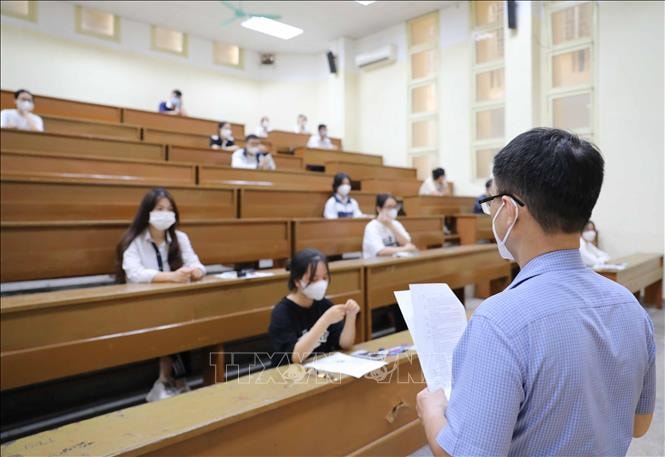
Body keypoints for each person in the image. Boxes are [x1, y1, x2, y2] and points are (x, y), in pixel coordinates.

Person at [416, 128, 655, 456]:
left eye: (491, 204)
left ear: (509, 210)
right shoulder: (629, 305)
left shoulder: (499, 321)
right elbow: (639, 424)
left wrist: (431, 411)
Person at [116, 188, 206, 402]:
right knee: (171, 319)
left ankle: (167, 380)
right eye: (159, 209)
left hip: (174, 304)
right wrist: (170, 277)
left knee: (180, 316)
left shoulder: (180, 238)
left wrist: (195, 272)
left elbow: (199, 265)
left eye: (169, 209)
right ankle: (174, 381)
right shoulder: (135, 241)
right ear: (147, 212)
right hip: (142, 303)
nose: (165, 213)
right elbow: (134, 273)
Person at [268, 248, 360, 365]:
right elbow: (296, 357)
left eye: (324, 278)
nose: (321, 283)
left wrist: (351, 316)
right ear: (297, 281)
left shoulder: (325, 305)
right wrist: (325, 320)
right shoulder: (282, 313)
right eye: (314, 279)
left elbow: (345, 344)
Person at [362, 193, 417, 259]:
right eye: (389, 207)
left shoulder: (396, 223)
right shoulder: (371, 227)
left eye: (394, 207)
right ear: (379, 209)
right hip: (377, 263)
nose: (393, 210)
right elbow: (381, 252)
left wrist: (391, 226)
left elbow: (407, 243)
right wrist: (404, 249)